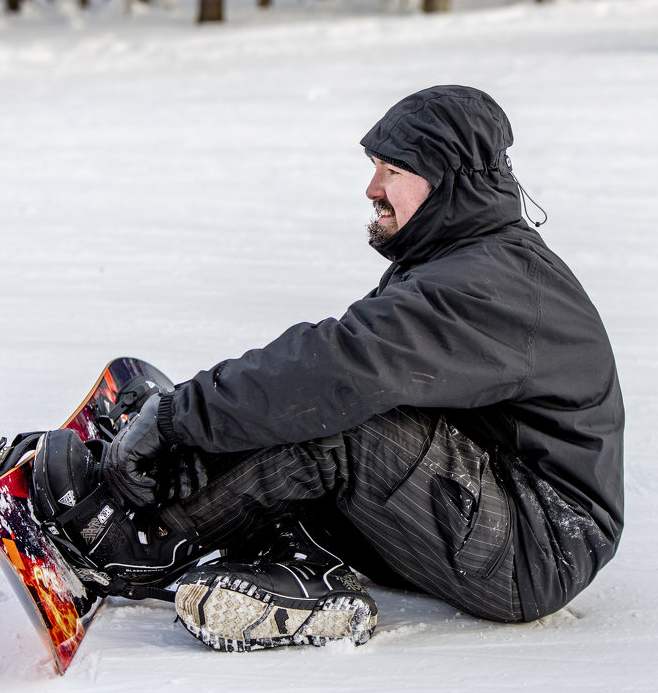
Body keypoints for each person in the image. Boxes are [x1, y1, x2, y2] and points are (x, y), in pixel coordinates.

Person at [31, 85, 624, 653]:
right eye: (375, 167)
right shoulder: (461, 259)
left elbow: (337, 368)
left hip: (535, 544)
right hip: (491, 505)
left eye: (393, 171)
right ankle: (172, 491)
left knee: (341, 420)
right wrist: (186, 439)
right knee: (319, 411)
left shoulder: (491, 285)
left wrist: (175, 417)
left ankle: (147, 540)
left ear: (445, 179)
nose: (372, 187)